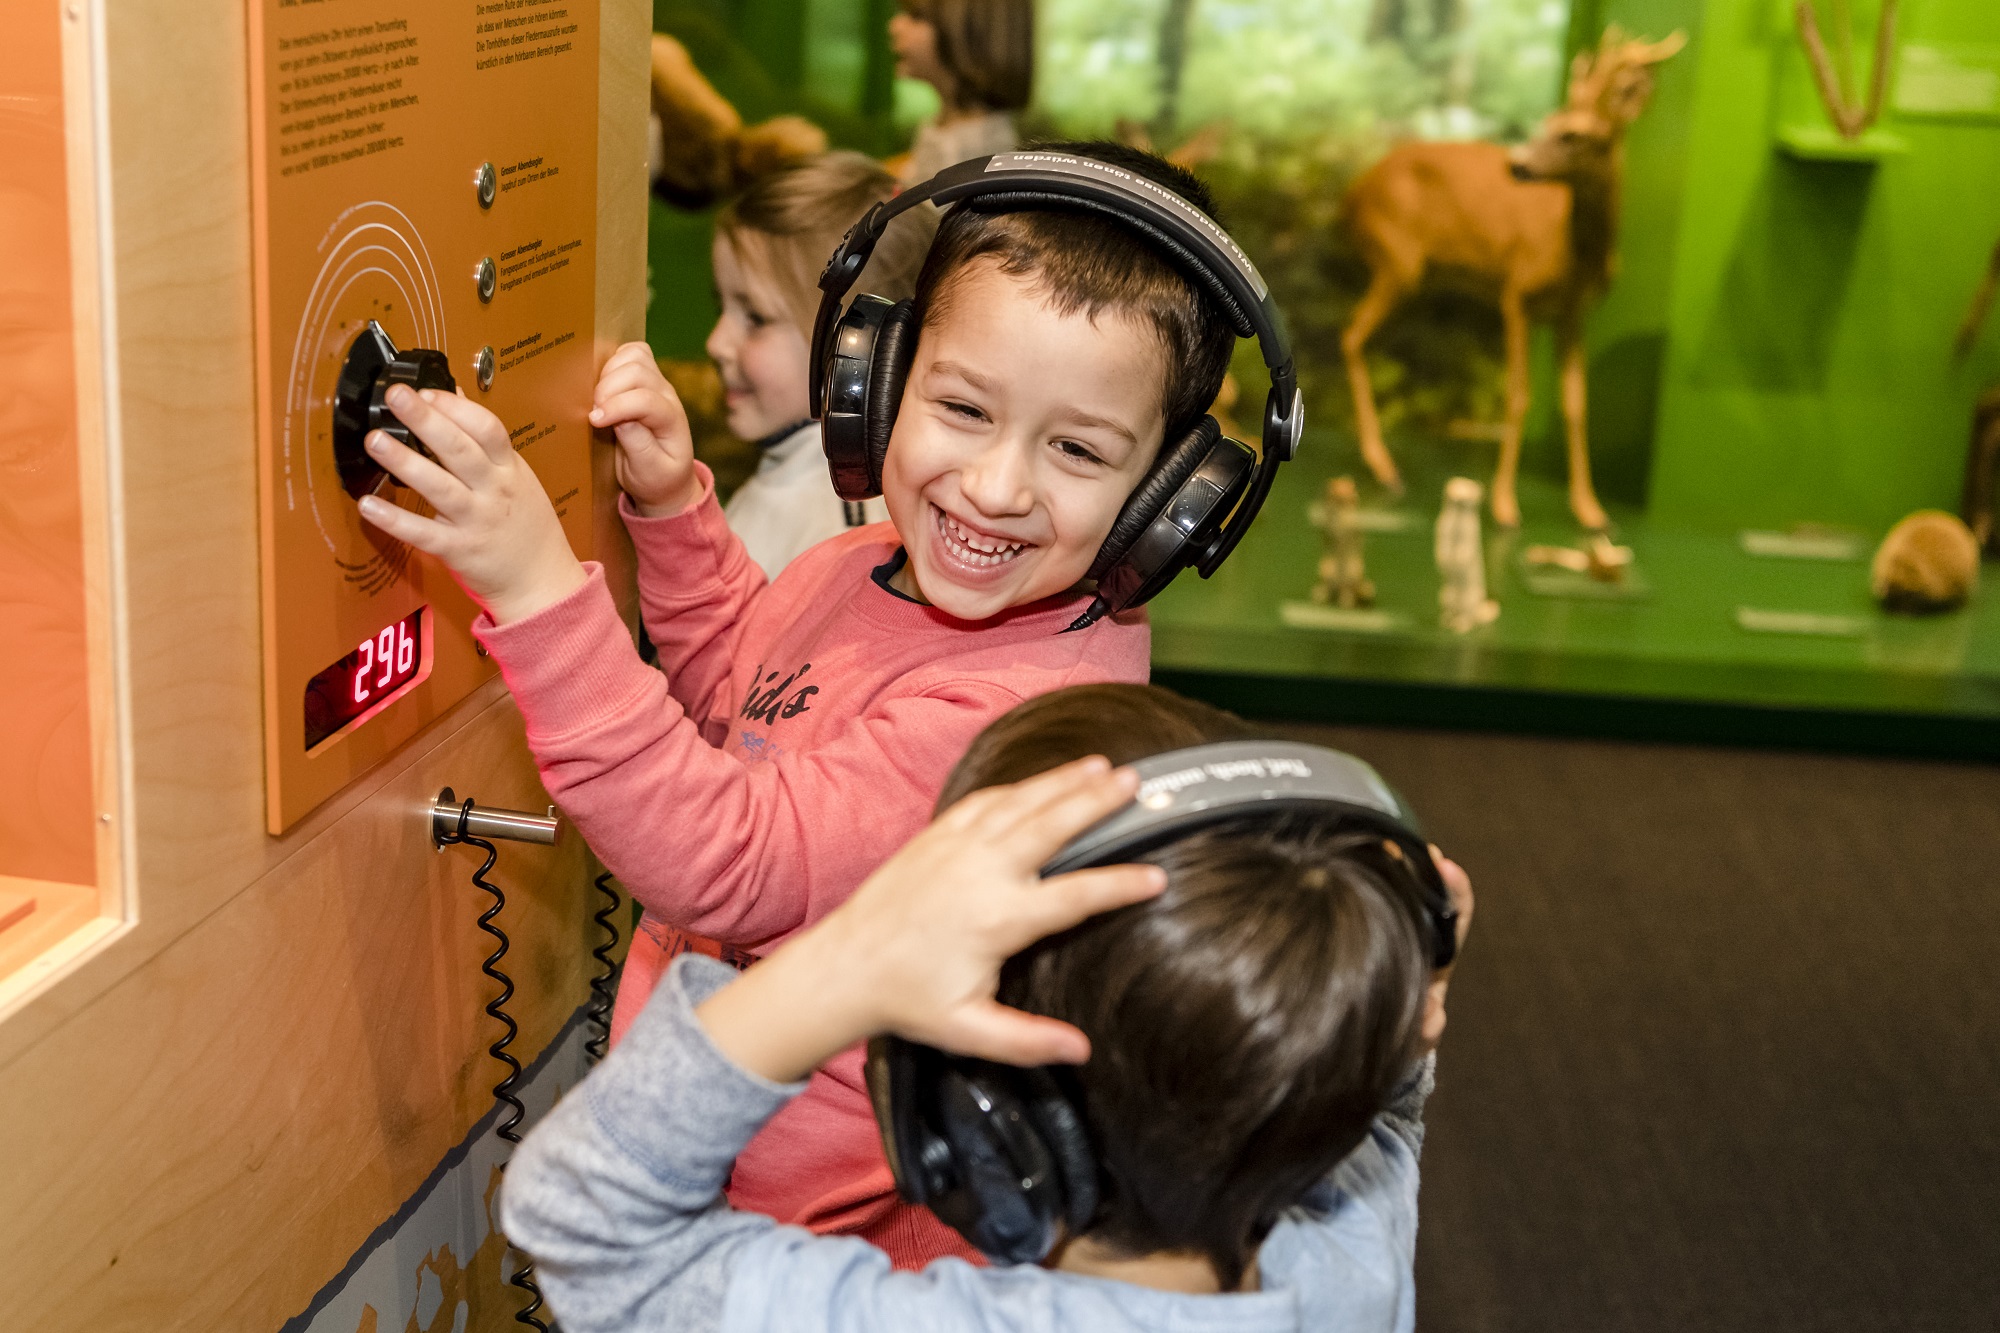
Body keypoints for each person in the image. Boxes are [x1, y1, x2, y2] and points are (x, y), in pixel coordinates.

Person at [353, 141, 1280, 1264]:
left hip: (796, 1252)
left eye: (1077, 449)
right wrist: (673, 513)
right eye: (963, 407)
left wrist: (539, 592)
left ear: (1171, 502)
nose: (995, 487)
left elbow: (729, 860)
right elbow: (748, 698)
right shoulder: (864, 562)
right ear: (876, 380)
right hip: (714, 1159)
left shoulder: (1025, 721)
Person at [499, 682, 1476, 1332]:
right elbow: (1381, 1112)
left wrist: (855, 953)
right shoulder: (1350, 1255)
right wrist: (1390, 992)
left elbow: (587, 1221)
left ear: (975, 1117)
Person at [707, 153, 932, 578]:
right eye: (721, 306)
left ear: (862, 350)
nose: (715, 343)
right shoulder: (792, 483)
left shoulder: (834, 535)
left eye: (756, 318)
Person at [888, 0, 1032, 185]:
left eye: (916, 17)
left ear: (971, 33)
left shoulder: (973, 151)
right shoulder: (949, 127)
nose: (895, 26)